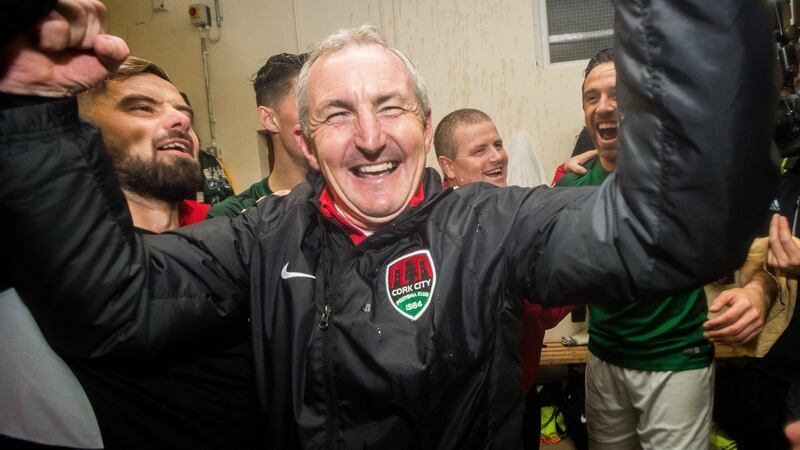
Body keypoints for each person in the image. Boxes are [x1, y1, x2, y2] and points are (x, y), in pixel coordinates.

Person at [0, 1, 778, 449]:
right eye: (339, 114)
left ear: (424, 126)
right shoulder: (259, 237)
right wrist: (31, 110)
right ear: (307, 141)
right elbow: (113, 303)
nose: (370, 137)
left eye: (391, 107)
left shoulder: (492, 223)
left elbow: (675, 226)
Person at [555, 48, 772, 450]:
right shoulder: (573, 188)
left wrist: (757, 291)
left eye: (617, 93)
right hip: (602, 360)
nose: (604, 106)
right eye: (591, 97)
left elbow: (762, 245)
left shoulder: (688, 178)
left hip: (676, 360)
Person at [434, 108, 574, 449]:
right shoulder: (432, 227)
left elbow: (544, 311)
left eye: (497, 144)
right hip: (456, 414)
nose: (497, 156)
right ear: (448, 167)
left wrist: (567, 185)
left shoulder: (513, 213)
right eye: (480, 150)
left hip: (516, 398)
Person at [207, 52, 310, 218]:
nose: (322, 114)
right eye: (306, 103)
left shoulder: (349, 199)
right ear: (269, 119)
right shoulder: (233, 215)